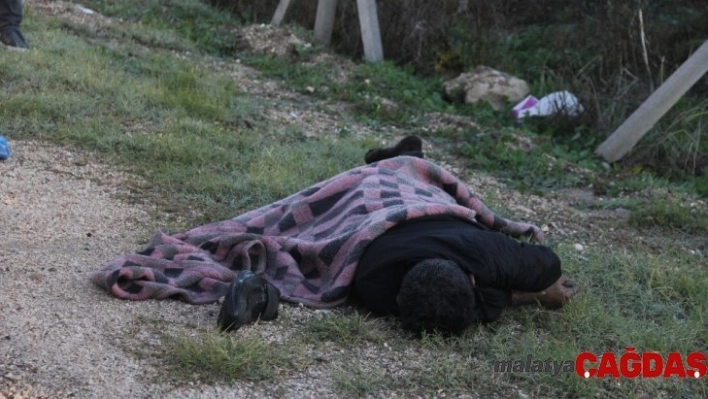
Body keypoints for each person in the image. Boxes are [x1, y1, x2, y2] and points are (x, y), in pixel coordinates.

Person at [93, 136, 579, 336]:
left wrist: (535, 292)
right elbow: (529, 277)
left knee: (390, 176)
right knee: (392, 176)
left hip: (385, 204)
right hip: (393, 204)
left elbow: (536, 267)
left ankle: (395, 156)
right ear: (474, 278)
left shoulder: (385, 285)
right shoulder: (377, 290)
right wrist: (535, 297)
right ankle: (393, 157)